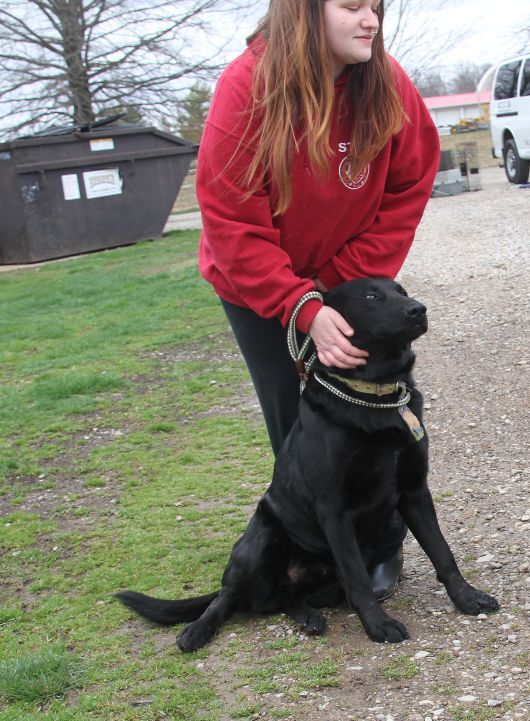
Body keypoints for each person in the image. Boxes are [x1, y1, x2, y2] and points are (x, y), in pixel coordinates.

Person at [196, 0, 439, 601]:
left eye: (377, 6)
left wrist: (340, 288)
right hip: (257, 286)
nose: (371, 20)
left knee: (376, 404)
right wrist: (300, 304)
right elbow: (231, 218)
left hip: (349, 279)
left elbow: (411, 183)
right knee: (302, 424)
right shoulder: (247, 87)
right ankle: (322, 552)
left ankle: (381, 547)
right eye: (352, 5)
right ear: (304, 12)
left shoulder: (386, 82)